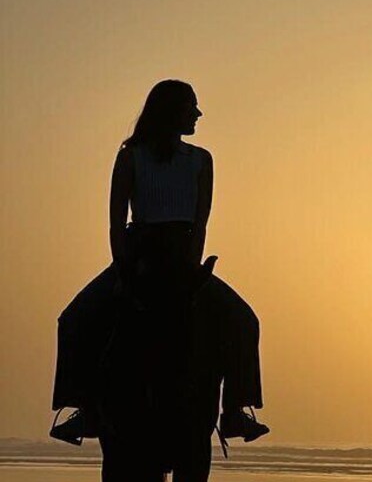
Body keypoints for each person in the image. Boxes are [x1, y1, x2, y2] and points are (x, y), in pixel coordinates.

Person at [50, 80, 268, 480]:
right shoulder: (131, 157)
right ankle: (81, 409)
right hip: (137, 255)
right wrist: (123, 270)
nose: (198, 114)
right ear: (171, 111)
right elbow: (117, 221)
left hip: (184, 256)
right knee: (74, 318)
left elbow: (201, 222)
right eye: (192, 107)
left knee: (243, 319)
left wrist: (192, 268)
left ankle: (236, 409)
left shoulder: (201, 159)